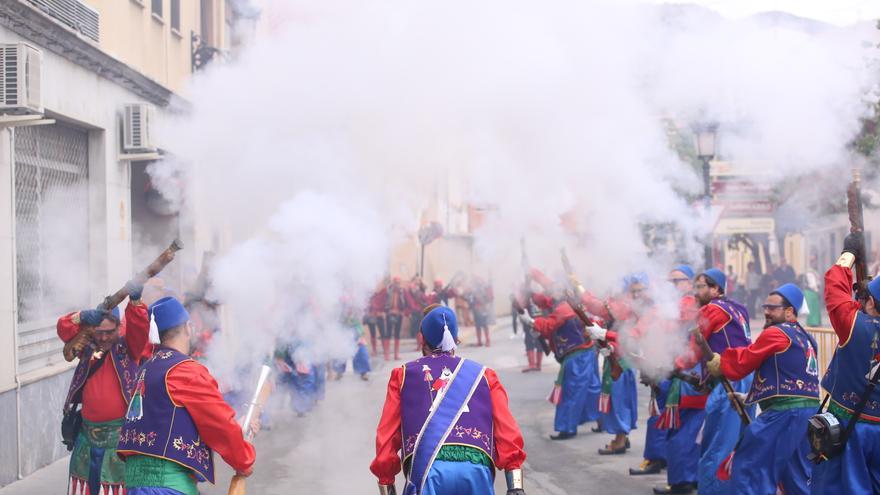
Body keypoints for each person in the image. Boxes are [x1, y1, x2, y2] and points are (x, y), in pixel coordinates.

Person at [371, 305, 526, 495]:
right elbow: (507, 429)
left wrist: (387, 484)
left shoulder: (402, 375)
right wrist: (515, 484)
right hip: (475, 471)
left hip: (427, 473)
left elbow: (387, 436)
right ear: (455, 337)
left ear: (422, 338)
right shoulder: (484, 375)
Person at [117, 296, 256, 495]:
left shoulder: (145, 369)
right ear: (188, 328)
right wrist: (244, 459)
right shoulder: (186, 371)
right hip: (167, 486)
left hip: (134, 485)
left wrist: (238, 428)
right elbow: (220, 424)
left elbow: (173, 423)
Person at [704, 283, 818, 495]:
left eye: (772, 308)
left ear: (789, 311)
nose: (766, 311)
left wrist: (721, 363)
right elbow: (786, 376)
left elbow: (746, 359)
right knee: (796, 473)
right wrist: (748, 397)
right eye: (765, 306)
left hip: (784, 415)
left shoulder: (776, 333)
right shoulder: (807, 338)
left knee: (750, 465)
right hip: (807, 414)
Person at [59, 281, 150, 495]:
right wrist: (81, 317)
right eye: (99, 332)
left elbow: (140, 328)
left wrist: (135, 303)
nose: (104, 337)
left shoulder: (129, 347)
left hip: (118, 440)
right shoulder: (86, 346)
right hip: (87, 437)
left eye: (109, 331)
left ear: (118, 327)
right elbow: (63, 328)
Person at [810, 233, 880, 494]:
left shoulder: (852, 322)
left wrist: (848, 254)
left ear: (870, 301)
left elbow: (834, 285)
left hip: (851, 427)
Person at [675, 268, 754, 495]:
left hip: (730, 382)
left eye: (700, 287)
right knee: (738, 445)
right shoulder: (739, 307)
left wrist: (672, 366)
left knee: (717, 447)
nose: (696, 291)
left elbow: (694, 351)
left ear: (716, 288)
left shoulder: (712, 309)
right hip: (745, 379)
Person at [519, 276, 600, 441]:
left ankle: (567, 428)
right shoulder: (566, 304)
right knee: (592, 389)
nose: (549, 296)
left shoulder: (564, 308)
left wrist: (532, 322)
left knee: (571, 392)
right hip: (585, 352)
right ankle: (601, 420)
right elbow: (544, 303)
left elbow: (549, 324)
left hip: (577, 356)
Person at [651, 265, 706, 495]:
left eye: (676, 282)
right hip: (685, 376)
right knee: (685, 432)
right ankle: (687, 478)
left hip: (688, 378)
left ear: (688, 283)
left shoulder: (687, 304)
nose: (671, 287)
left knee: (682, 433)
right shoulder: (679, 305)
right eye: (669, 282)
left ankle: (682, 481)